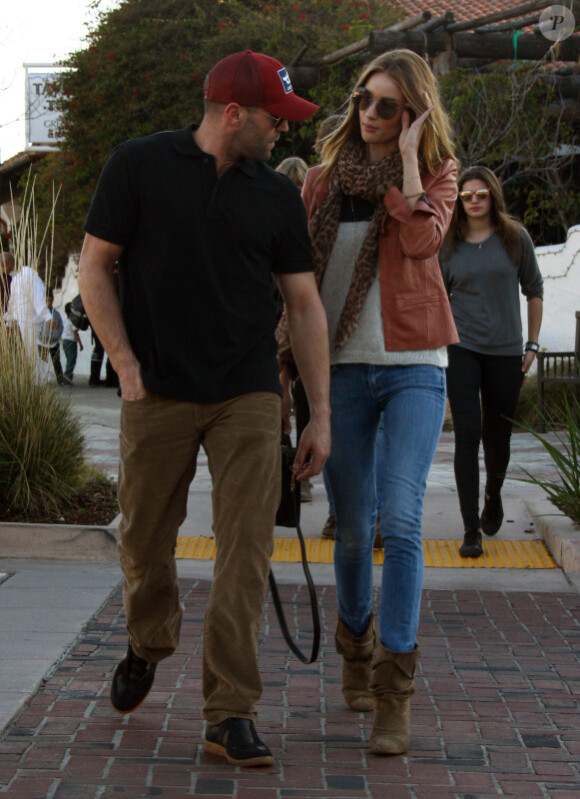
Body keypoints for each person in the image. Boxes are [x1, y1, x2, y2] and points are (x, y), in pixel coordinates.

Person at [78, 50, 330, 768]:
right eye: (274, 117)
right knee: (145, 542)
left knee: (246, 550)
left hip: (248, 391)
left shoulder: (277, 197)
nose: (284, 129)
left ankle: (230, 710)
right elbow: (95, 264)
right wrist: (124, 363)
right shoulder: (138, 166)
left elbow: (305, 306)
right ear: (233, 115)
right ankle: (148, 639)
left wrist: (320, 414)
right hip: (154, 389)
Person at [277, 48, 458, 756]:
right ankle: (355, 638)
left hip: (415, 365)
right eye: (363, 100)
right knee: (353, 527)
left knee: (404, 521)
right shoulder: (319, 186)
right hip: (342, 373)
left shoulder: (436, 177)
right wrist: (289, 368)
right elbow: (295, 284)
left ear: (413, 113)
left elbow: (420, 241)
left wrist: (409, 169)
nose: (371, 114)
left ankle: (394, 689)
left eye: (388, 105)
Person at [439, 166, 543, 559]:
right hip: (461, 349)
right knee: (467, 434)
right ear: (459, 200)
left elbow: (534, 290)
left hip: (506, 352)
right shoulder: (448, 244)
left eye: (481, 194)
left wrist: (531, 344)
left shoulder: (515, 238)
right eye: (466, 196)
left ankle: (492, 494)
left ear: (493, 196)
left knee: (498, 440)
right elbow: (437, 296)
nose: (474, 201)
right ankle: (470, 530)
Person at [2, 252, 58, 377]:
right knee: (29, 355)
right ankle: (35, 381)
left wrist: (47, 317)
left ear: (7, 263)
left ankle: (39, 382)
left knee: (33, 355)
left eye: (2, 266)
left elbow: (38, 297)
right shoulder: (16, 279)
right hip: (22, 322)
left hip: (31, 322)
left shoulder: (28, 275)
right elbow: (13, 302)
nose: (2, 269)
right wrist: (9, 322)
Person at [37, 288, 65, 384]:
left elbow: (60, 327)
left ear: (53, 300)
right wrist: (40, 335)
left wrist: (56, 335)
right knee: (42, 362)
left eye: (50, 300)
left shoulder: (56, 314)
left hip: (54, 342)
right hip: (42, 342)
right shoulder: (40, 314)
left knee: (56, 362)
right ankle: (43, 380)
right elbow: (37, 326)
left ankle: (60, 380)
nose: (48, 303)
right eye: (46, 301)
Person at [62, 301, 85, 383]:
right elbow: (76, 334)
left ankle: (68, 377)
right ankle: (67, 377)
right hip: (71, 341)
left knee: (69, 359)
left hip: (64, 341)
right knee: (72, 360)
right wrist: (80, 344)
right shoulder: (73, 320)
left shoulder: (64, 319)